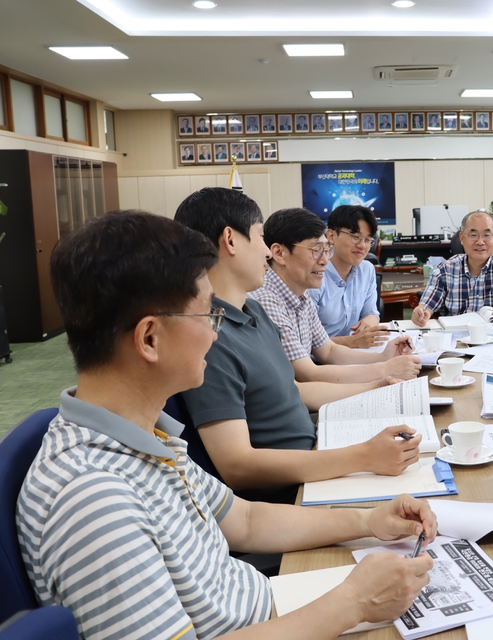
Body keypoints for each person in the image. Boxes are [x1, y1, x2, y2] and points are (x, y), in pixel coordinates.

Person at [17, 209, 436, 640]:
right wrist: (354, 602)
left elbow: (247, 521)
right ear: (149, 339)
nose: (217, 335)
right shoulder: (93, 498)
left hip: (266, 604)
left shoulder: (145, 435)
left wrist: (368, 521)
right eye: (206, 316)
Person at [176, 188, 422, 504]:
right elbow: (237, 465)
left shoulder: (253, 312)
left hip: (316, 456)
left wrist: (379, 386)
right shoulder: (210, 336)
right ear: (231, 240)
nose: (266, 251)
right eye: (260, 237)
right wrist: (363, 457)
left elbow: (293, 389)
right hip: (290, 492)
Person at [251, 207, 420, 383]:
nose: (324, 260)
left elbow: (329, 351)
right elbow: (307, 375)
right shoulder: (267, 300)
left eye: (326, 250)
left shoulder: (300, 294)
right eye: (316, 249)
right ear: (279, 253)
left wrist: (384, 357)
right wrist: (384, 370)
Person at [413, 211, 493, 325]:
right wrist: (422, 312)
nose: (480, 241)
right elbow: (426, 305)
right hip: (457, 338)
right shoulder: (446, 269)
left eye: (487, 235)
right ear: (462, 238)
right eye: (473, 235)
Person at [308, 205, 390, 348]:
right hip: (319, 363)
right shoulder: (314, 273)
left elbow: (371, 313)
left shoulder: (367, 269)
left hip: (355, 355)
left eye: (367, 240)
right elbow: (304, 339)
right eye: (355, 237)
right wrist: (351, 342)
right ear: (331, 236)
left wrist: (369, 322)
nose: (362, 246)